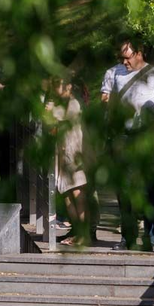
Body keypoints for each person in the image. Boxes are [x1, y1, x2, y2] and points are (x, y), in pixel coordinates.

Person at [107, 38, 154, 250]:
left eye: (126, 57)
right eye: (121, 58)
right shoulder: (117, 73)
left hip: (147, 136)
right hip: (124, 136)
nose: (123, 62)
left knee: (148, 187)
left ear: (139, 53)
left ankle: (150, 238)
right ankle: (128, 237)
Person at [47, 78, 93, 246]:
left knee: (78, 194)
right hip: (63, 153)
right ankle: (78, 232)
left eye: (57, 84)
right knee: (66, 194)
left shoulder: (72, 103)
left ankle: (84, 235)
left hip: (75, 152)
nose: (54, 88)